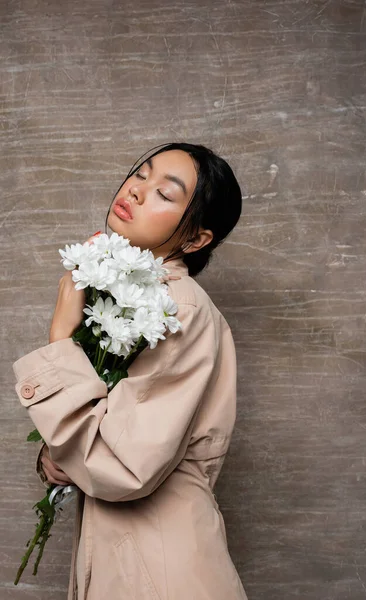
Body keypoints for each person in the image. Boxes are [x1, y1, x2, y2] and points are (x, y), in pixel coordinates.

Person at [13, 142, 248, 600]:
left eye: (166, 192)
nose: (138, 190)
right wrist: (55, 457)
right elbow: (111, 433)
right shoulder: (127, 295)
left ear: (196, 238)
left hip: (159, 572)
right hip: (133, 557)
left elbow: (123, 468)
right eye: (142, 173)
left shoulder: (175, 308)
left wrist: (61, 337)